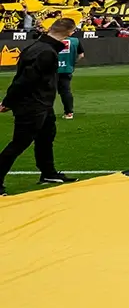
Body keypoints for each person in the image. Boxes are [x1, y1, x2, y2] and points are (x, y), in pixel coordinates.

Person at [0, 16, 77, 193]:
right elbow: (25, 81)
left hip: (41, 104)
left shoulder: (38, 47)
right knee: (19, 143)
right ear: (69, 34)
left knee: (46, 138)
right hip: (33, 105)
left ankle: (48, 172)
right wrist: (8, 102)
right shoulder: (46, 52)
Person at [55, 25, 81, 118]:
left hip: (52, 69)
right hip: (66, 69)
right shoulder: (75, 41)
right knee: (66, 91)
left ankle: (45, 113)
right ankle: (69, 112)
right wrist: (72, 63)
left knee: (47, 91)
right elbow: (81, 55)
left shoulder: (53, 40)